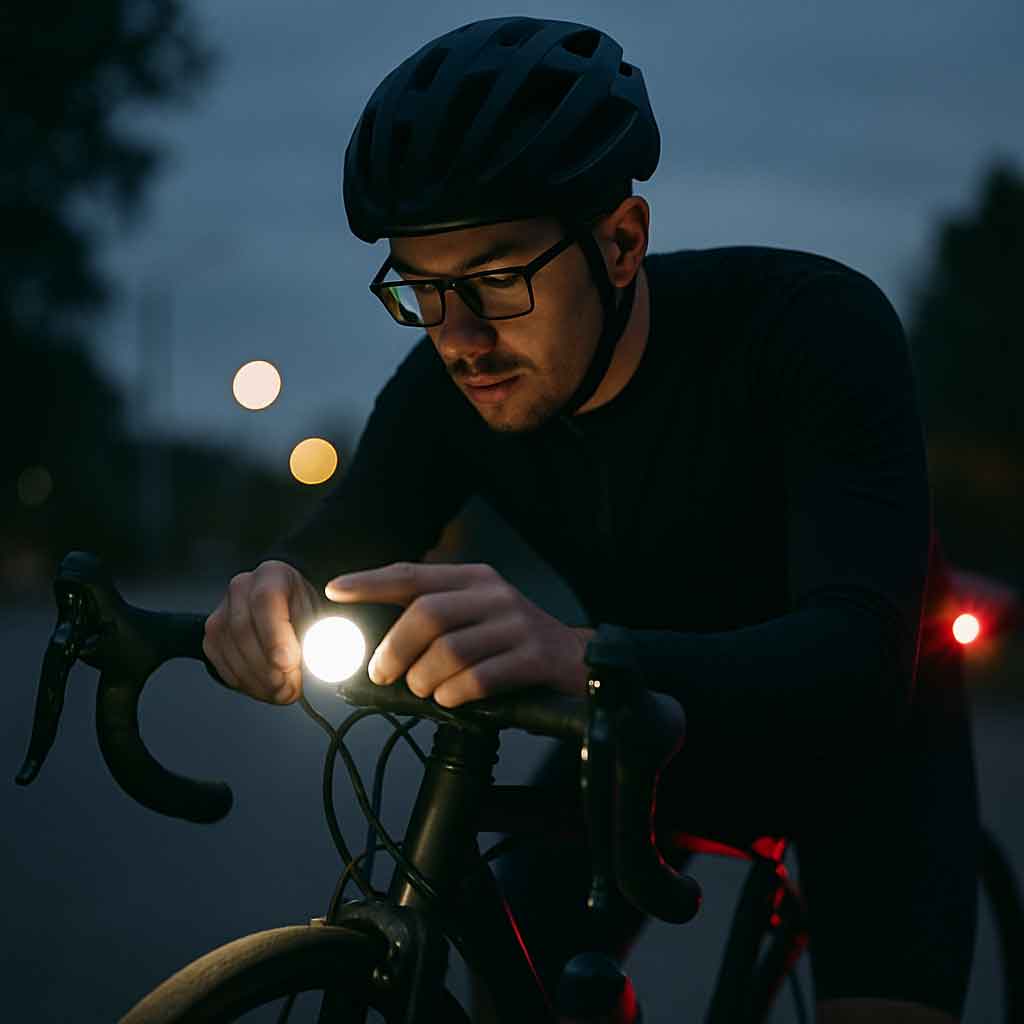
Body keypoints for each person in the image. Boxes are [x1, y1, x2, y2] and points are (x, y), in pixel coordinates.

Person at [201, 16, 979, 1024]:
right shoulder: (448, 387)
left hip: (860, 733)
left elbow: (860, 656)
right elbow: (345, 532)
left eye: (494, 280)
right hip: (629, 720)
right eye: (423, 290)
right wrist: (270, 590)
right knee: (511, 968)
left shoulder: (812, 327)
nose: (460, 338)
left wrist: (579, 654)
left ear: (620, 243)